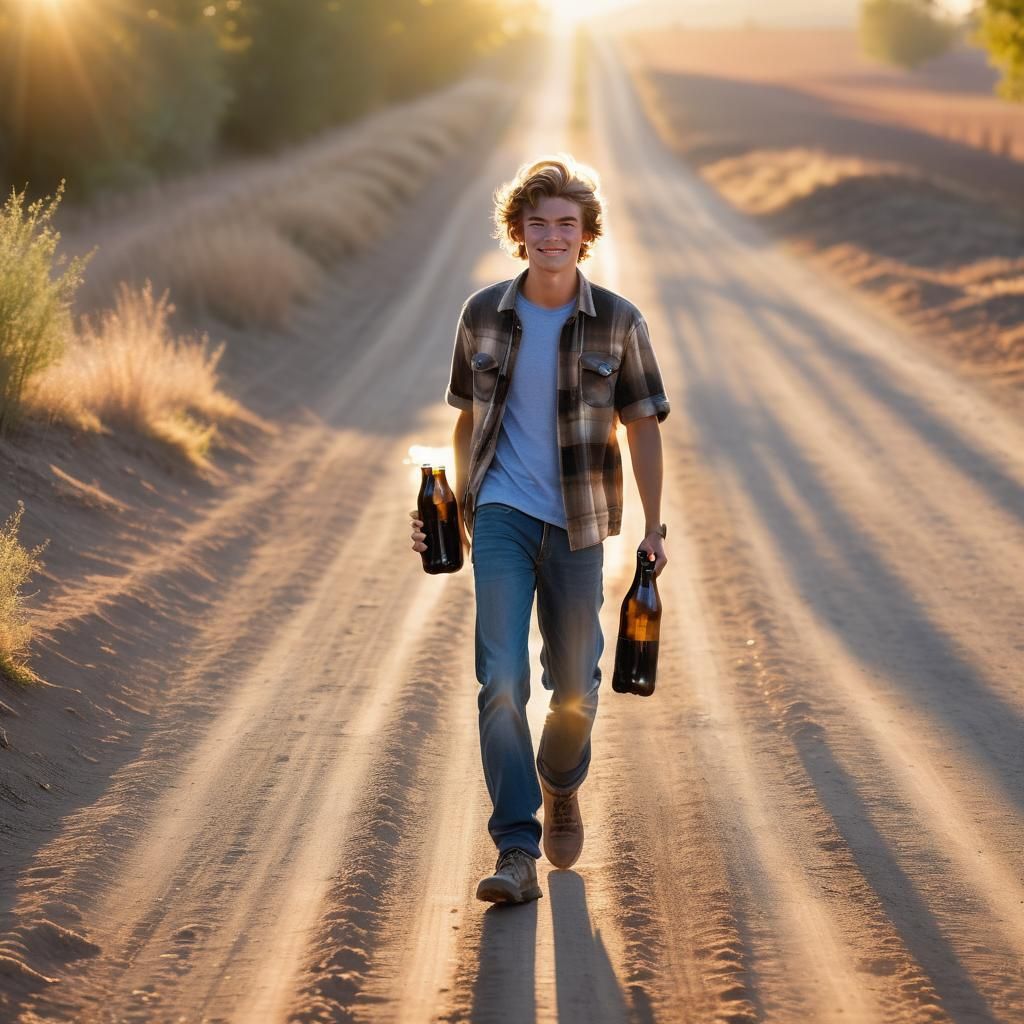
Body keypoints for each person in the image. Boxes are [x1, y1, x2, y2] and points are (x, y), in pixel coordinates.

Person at [410, 155, 669, 905]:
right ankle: (515, 848)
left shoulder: (619, 320)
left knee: (577, 684)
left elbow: (644, 424)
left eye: (567, 224)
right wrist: (452, 510)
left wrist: (656, 528)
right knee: (500, 680)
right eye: (538, 223)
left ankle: (561, 784)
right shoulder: (482, 313)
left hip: (582, 524)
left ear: (585, 234)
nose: (552, 235)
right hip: (501, 514)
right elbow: (465, 418)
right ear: (517, 231)